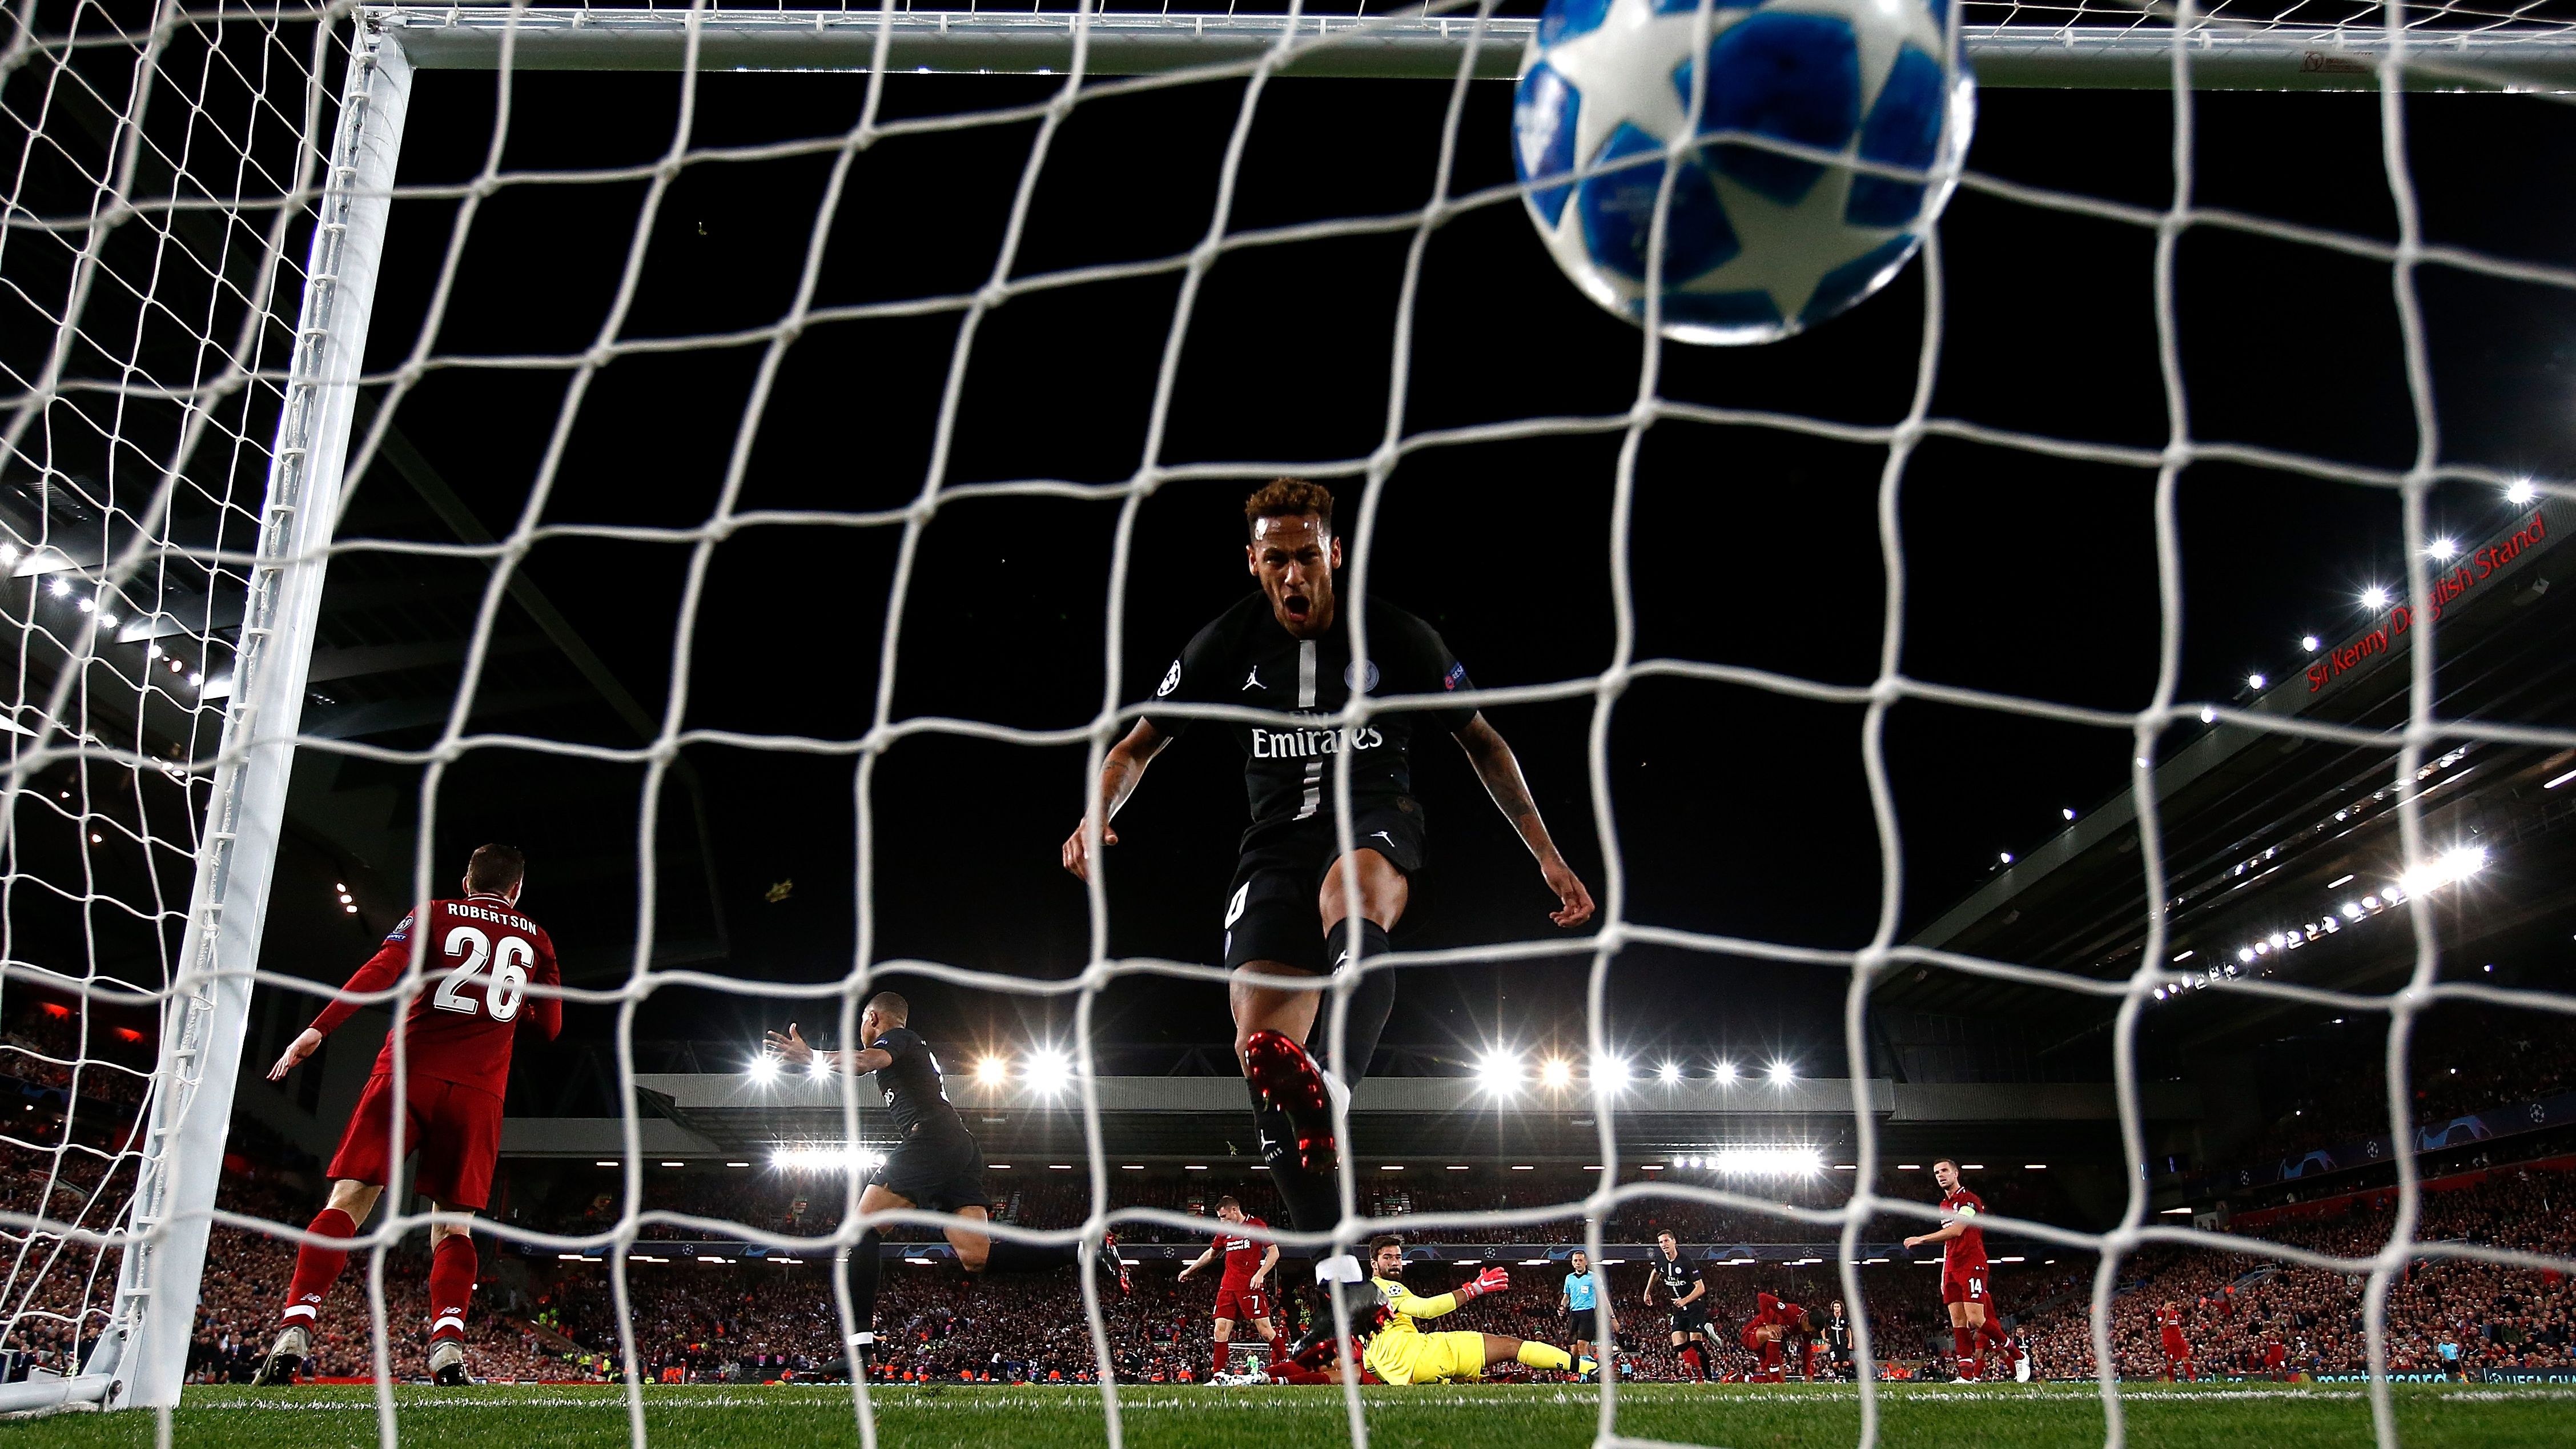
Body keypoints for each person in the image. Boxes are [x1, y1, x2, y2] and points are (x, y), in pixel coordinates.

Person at [1062, 479, 1595, 1263]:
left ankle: (1332, 1085)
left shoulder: (1397, 636)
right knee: (1256, 1051)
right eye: (1275, 558)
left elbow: (1482, 741)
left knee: (1351, 890)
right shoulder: (1224, 642)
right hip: (1273, 844)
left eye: (1306, 555)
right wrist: (1095, 811)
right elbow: (1134, 746)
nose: (1292, 574)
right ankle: (1336, 1272)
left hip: (1374, 817)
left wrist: (1545, 852)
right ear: (1252, 563)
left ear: (1334, 553)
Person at [252, 845, 561, 1387]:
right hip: (477, 1092)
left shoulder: (435, 913)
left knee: (349, 1199)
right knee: (453, 1225)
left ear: (466, 881)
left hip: (406, 1075)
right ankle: (447, 1346)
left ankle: (296, 1325)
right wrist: (514, 1006)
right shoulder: (537, 938)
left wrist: (319, 1028)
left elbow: (382, 969)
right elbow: (551, 1029)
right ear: (516, 890)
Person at [765, 993, 1128, 1371]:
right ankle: (1082, 1248)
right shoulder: (911, 1047)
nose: (861, 1030)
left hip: (932, 1140)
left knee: (860, 1231)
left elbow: (863, 1061)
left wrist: (813, 1057)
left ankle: (859, 1353)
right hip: (958, 1146)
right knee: (976, 1256)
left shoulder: (898, 1038)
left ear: (872, 1018)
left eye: (861, 1022)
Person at [1354, 1236, 1593, 1385]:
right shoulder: (1386, 1288)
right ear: (1374, 1264)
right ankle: (1588, 1368)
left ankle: (1467, 1379)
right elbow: (1425, 1309)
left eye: (1398, 1257)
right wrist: (1474, 1289)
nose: (1395, 1263)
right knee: (1511, 1346)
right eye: (1388, 1258)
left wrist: (1398, 1379)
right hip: (1426, 1354)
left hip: (1410, 1374)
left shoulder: (1363, 1305)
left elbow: (1370, 1364)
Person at [1902, 1158, 2028, 1384]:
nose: (1941, 1175)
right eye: (1937, 1173)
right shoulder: (1944, 1205)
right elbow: (1948, 1243)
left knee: (1976, 1320)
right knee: (1958, 1322)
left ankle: (2018, 1355)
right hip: (1952, 1266)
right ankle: (1966, 1375)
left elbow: (1958, 1230)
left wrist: (1921, 1239)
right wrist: (1944, 1272)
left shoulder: (1970, 1201)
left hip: (1972, 1264)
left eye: (1944, 1171)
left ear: (1956, 1173)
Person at [1176, 1195, 1280, 1383]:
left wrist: (1260, 1274)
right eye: (1220, 1218)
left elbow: (1274, 1252)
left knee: (1265, 1332)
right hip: (1228, 1287)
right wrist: (1190, 1270)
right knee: (1220, 1330)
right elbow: (1211, 1253)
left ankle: (1286, 1365)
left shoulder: (1256, 1225)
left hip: (1250, 1286)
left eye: (1224, 1216)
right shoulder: (1225, 1232)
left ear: (1234, 1210)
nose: (1222, 1221)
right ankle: (1218, 1376)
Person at [1644, 1231, 1711, 1380]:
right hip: (1678, 1308)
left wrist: (1685, 1300)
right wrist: (1648, 1292)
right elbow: (1655, 1273)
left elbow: (1701, 1288)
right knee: (1679, 1346)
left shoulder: (1686, 1261)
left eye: (1666, 1241)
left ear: (1674, 1242)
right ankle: (1705, 1330)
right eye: (1661, 1242)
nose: (1664, 1245)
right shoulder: (1661, 1261)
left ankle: (1709, 1380)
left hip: (1694, 1305)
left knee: (1696, 1343)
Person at [1558, 1250, 1614, 1379]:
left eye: (1580, 1260)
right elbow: (1566, 1297)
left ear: (1586, 1262)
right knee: (1574, 1351)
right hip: (1574, 1315)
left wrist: (1612, 1316)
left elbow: (1603, 1297)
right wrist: (1562, 1307)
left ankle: (1584, 1378)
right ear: (1572, 1263)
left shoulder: (1594, 1278)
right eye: (1575, 1261)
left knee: (1582, 1345)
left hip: (1588, 1314)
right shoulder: (1569, 1278)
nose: (1578, 1263)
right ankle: (1595, 1366)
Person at [1741, 1291, 1818, 1383]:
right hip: (1751, 1334)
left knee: (1780, 1381)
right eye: (1811, 1328)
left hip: (1767, 1347)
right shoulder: (1791, 1312)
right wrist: (1768, 1324)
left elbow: (1807, 1348)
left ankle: (1738, 1378)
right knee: (1775, 1332)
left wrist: (1808, 1372)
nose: (1810, 1331)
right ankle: (1775, 1377)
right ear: (1806, 1319)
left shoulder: (1807, 1328)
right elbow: (1762, 1297)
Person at [2156, 1300, 2193, 1382]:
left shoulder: (2175, 1313)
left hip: (2179, 1339)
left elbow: (2176, 1325)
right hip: (2169, 1341)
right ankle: (2171, 1380)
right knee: (2171, 1361)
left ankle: (2193, 1380)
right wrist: (2168, 1315)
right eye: (2171, 1305)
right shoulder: (2160, 1313)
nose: (2172, 1307)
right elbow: (2164, 1326)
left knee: (2186, 1358)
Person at [1823, 1299, 1854, 1381]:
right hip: (1834, 1344)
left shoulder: (1845, 1318)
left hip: (1843, 1343)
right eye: (1835, 1307)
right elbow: (1823, 1327)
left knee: (1845, 1363)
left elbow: (1848, 1331)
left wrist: (1850, 1342)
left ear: (1841, 1308)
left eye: (1838, 1307)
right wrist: (1824, 1337)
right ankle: (1837, 1379)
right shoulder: (1829, 1318)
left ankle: (1847, 1380)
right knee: (1835, 1364)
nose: (1836, 1308)